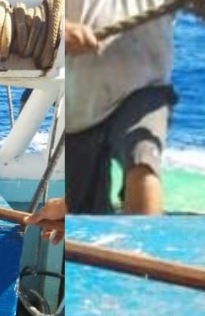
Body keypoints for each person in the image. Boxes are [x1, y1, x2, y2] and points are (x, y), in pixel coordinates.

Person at [66, 0, 176, 215]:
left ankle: (141, 246)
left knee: (143, 158)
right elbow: (20, 15)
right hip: (77, 105)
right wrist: (57, 30)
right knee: (80, 213)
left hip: (143, 88)